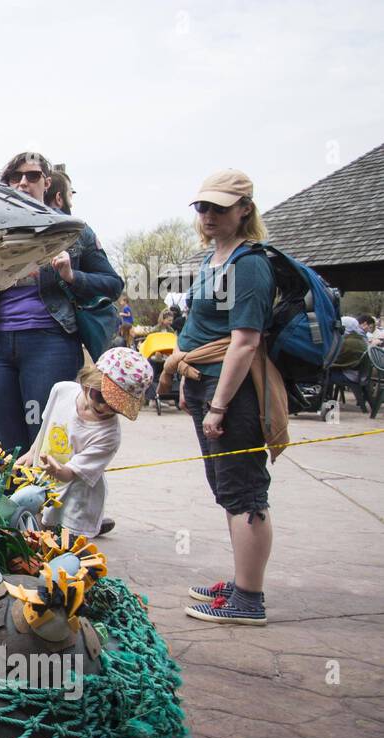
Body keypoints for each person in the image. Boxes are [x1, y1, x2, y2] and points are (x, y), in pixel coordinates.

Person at [172, 169, 279, 626]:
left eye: (219, 207)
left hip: (229, 389)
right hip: (201, 379)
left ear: (244, 209)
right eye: (203, 206)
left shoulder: (249, 263)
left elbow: (245, 340)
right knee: (226, 488)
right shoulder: (211, 258)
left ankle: (249, 598)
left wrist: (218, 405)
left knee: (244, 491)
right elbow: (200, 327)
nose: (209, 215)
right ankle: (240, 580)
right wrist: (184, 380)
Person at [0, 152, 125, 455]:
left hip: (49, 344)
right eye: (14, 176)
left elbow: (113, 284)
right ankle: (13, 503)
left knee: (46, 442)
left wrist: (72, 276)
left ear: (47, 182)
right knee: (7, 449)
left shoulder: (73, 230)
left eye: (32, 176)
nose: (22, 182)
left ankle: (50, 504)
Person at [22, 348, 154, 537]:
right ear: (88, 382)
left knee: (63, 544)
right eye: (101, 397)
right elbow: (47, 425)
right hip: (47, 482)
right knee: (38, 530)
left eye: (116, 406)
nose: (105, 407)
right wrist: (31, 452)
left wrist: (57, 470)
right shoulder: (62, 390)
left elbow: (70, 475)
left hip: (76, 498)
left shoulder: (108, 435)